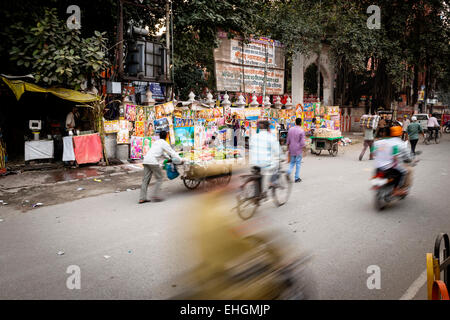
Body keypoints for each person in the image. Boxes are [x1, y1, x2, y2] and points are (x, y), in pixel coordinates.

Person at [140, 130, 182, 203]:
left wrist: (169, 158)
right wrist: (181, 159)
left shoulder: (156, 142)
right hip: (153, 161)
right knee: (160, 178)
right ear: (166, 136)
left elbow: (163, 153)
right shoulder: (164, 143)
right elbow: (172, 152)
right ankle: (155, 195)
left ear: (159, 136)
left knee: (145, 180)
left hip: (146, 160)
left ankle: (142, 198)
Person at [372, 126, 411, 196]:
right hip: (389, 168)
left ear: (382, 134)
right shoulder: (394, 144)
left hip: (378, 168)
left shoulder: (376, 143)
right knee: (403, 172)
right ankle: (396, 190)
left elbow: (373, 154)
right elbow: (395, 157)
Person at [249, 120, 281, 193]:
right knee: (276, 166)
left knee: (258, 173)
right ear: (268, 128)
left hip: (253, 161)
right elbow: (277, 150)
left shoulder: (254, 136)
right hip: (265, 163)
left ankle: (257, 194)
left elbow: (251, 147)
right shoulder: (271, 137)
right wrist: (281, 157)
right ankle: (272, 182)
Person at [286, 118, 306, 182]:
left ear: (295, 122)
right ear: (300, 123)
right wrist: (304, 150)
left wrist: (287, 148)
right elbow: (302, 142)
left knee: (292, 162)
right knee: (298, 163)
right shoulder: (301, 131)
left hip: (291, 148)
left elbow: (288, 140)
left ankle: (288, 172)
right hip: (298, 149)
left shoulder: (290, 130)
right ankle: (297, 178)